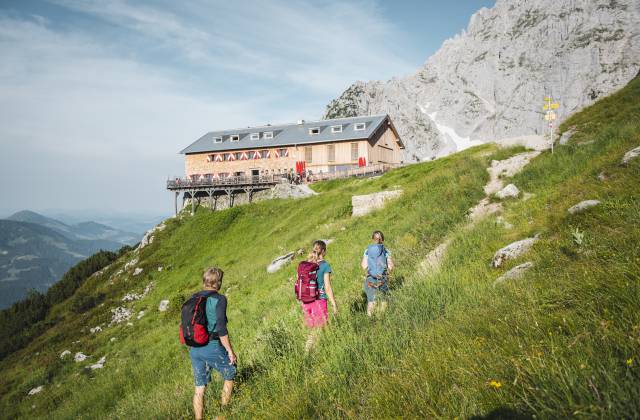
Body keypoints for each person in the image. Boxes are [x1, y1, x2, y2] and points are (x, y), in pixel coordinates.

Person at [189, 267, 237, 419]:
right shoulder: (220, 299)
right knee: (230, 372)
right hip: (212, 345)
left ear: (205, 282)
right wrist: (230, 351)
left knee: (199, 388)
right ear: (218, 283)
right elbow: (221, 328)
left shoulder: (194, 298)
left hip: (194, 348)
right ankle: (223, 415)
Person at [301, 240, 338, 351]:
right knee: (317, 330)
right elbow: (327, 287)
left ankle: (316, 350)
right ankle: (308, 354)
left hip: (306, 302)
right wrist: (334, 304)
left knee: (315, 328)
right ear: (323, 251)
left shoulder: (306, 264)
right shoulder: (324, 265)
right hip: (319, 301)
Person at [361, 231, 394, 317]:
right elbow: (390, 266)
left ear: (372, 239)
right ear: (382, 240)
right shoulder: (386, 251)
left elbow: (364, 266)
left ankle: (370, 319)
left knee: (371, 300)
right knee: (383, 299)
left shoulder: (367, 251)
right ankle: (381, 318)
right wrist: (387, 273)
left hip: (370, 277)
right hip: (383, 277)